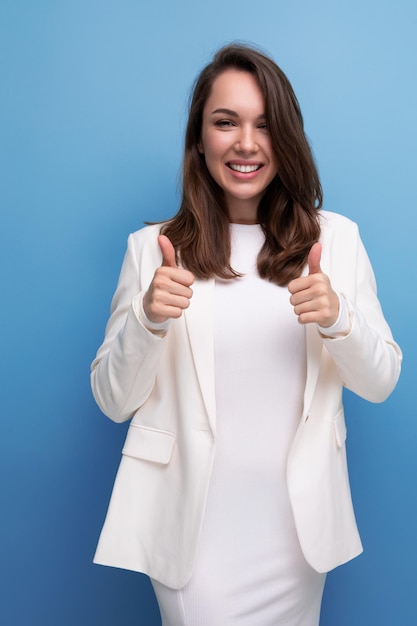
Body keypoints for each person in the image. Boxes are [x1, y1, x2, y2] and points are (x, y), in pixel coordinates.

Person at [91, 44, 402, 625]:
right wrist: (149, 319)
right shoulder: (153, 249)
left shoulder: (335, 242)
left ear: (287, 138)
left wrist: (338, 318)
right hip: (193, 532)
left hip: (296, 536)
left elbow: (382, 380)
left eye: (265, 125)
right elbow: (112, 401)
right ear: (199, 138)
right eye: (225, 122)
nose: (245, 143)